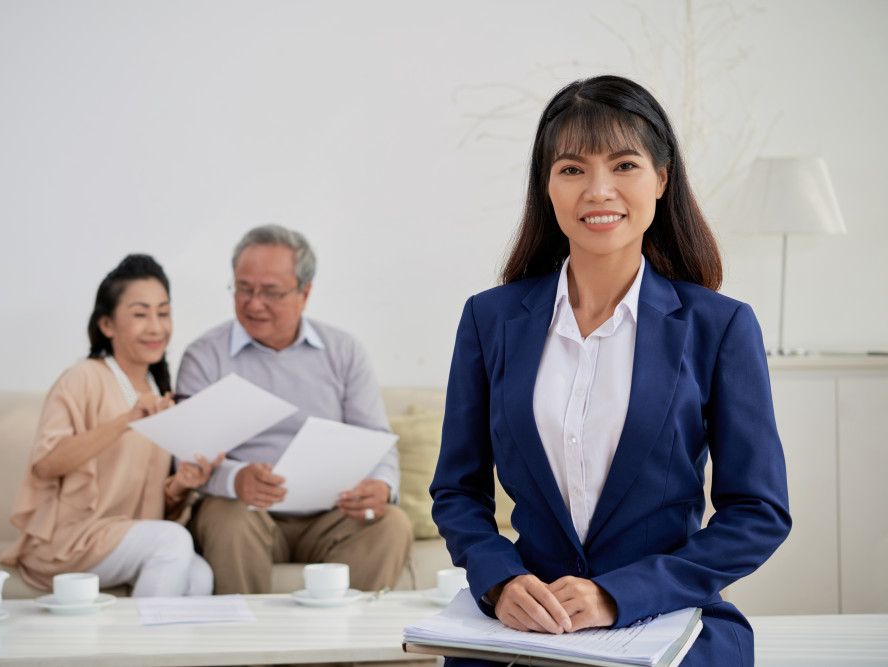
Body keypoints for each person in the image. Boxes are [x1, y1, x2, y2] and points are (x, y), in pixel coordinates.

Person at [430, 75, 791, 666]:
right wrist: (498, 582)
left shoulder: (719, 326)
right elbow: (457, 490)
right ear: (547, 187)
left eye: (624, 165)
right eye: (572, 169)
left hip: (665, 617)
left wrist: (616, 595)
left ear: (661, 179)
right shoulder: (489, 319)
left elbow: (758, 512)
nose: (599, 190)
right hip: (526, 623)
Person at [177, 224, 413, 595]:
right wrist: (236, 479)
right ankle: (251, 656)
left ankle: (331, 655)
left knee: (392, 524)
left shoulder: (344, 352)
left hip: (332, 513)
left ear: (305, 293)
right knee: (226, 516)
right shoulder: (205, 356)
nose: (254, 303)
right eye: (243, 288)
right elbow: (186, 460)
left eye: (270, 291)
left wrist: (383, 486)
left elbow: (377, 439)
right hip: (245, 512)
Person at [0, 254, 221, 597]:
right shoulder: (82, 378)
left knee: (201, 574)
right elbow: (45, 464)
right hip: (70, 541)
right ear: (107, 325)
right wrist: (126, 421)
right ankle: (138, 650)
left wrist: (178, 486)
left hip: (120, 539)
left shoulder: (160, 393)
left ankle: (164, 651)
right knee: (173, 541)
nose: (156, 327)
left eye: (163, 312)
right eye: (140, 314)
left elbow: (147, 507)